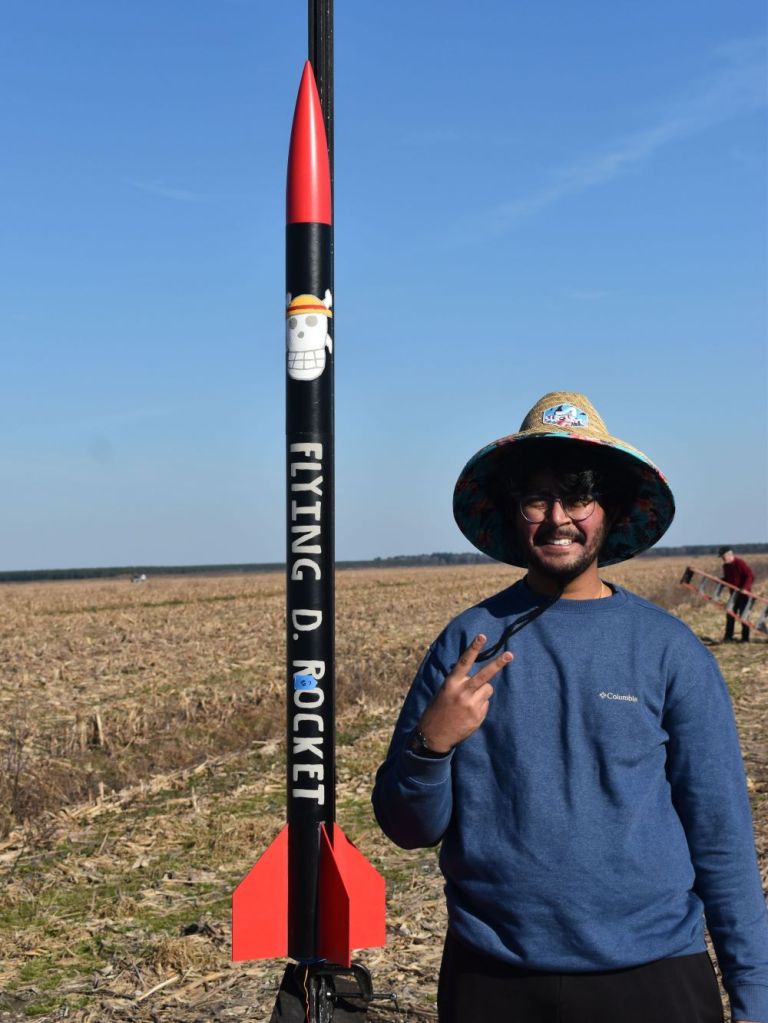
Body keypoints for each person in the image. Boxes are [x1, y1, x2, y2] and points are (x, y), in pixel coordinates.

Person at [372, 392, 768, 1023]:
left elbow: (720, 837)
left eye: (579, 495)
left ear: (610, 509)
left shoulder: (669, 650)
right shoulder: (466, 643)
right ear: (513, 512)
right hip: (492, 976)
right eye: (537, 498)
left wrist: (754, 996)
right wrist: (431, 745)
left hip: (653, 974)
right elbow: (407, 828)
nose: (558, 518)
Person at [719, 547, 755, 643]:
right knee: (730, 615)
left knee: (744, 616)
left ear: (729, 555)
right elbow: (728, 579)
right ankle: (728, 637)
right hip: (733, 595)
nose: (722, 559)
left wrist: (745, 588)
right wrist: (720, 581)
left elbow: (750, 576)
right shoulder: (725, 566)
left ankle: (745, 639)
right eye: (721, 557)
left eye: (723, 557)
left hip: (744, 596)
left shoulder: (739, 563)